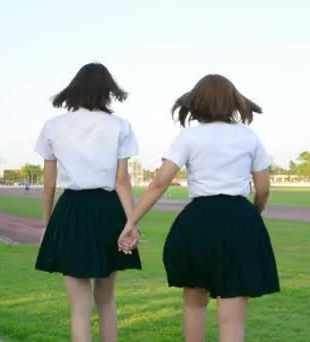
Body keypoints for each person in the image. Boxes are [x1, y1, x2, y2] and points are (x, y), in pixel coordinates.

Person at [119, 74, 280, 341]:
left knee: (194, 305)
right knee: (232, 320)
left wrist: (131, 222)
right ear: (233, 102)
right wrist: (252, 215)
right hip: (240, 219)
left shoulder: (188, 137)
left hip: (197, 222)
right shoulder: (249, 137)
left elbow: (159, 182)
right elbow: (263, 189)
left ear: (196, 103)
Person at [34, 63, 141, 342]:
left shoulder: (53, 127)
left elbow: (49, 184)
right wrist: (131, 223)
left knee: (79, 309)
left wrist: (47, 224)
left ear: (74, 88)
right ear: (107, 91)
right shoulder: (120, 126)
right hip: (109, 210)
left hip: (71, 211)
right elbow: (122, 182)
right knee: (106, 300)